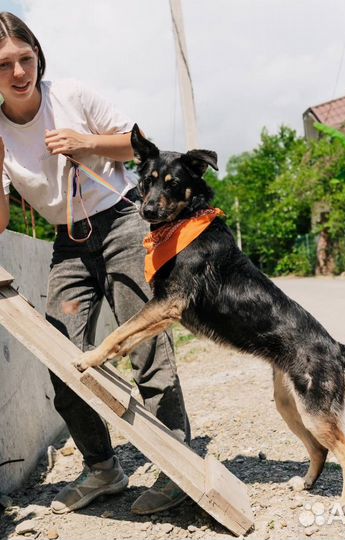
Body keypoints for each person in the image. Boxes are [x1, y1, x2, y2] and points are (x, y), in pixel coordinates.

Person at [0, 11, 190, 515]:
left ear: (38, 53)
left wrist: (84, 143)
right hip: (68, 240)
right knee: (59, 353)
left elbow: (138, 143)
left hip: (122, 220)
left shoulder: (72, 95)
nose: (19, 72)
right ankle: (103, 469)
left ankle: (177, 463)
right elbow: (0, 222)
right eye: (5, 65)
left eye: (26, 58)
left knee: (143, 337)